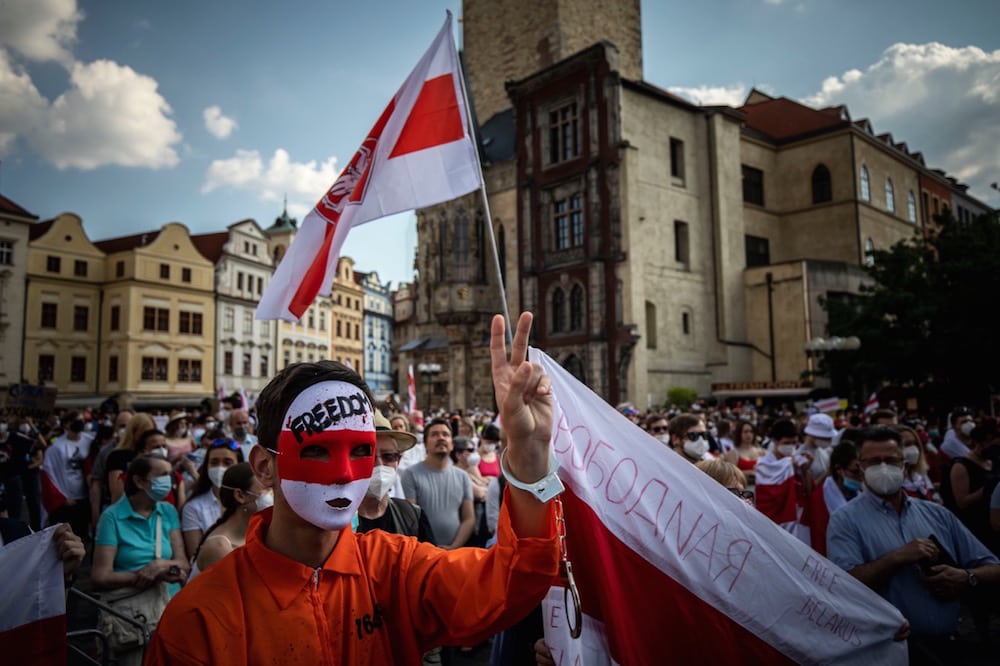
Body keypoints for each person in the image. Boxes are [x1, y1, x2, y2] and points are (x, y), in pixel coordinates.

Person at [146, 311, 559, 665]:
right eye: (318, 452)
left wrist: (528, 454)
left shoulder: (395, 570)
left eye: (362, 450)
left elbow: (514, 579)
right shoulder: (200, 619)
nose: (344, 473)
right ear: (264, 467)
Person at [827, 426, 1000, 662]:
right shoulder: (844, 521)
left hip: (948, 646)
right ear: (861, 466)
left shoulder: (937, 515)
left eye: (890, 460)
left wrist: (966, 577)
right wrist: (896, 558)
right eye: (874, 462)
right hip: (889, 651)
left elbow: (993, 567)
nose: (884, 467)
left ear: (904, 464)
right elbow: (843, 585)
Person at [92, 454, 190, 665]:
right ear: (139, 481)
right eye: (163, 475)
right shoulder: (112, 517)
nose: (169, 482)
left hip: (169, 607)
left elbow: (183, 562)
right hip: (131, 618)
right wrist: (140, 576)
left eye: (170, 475)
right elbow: (100, 576)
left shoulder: (167, 511)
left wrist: (160, 566)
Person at [356, 411, 434, 542]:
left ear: (398, 460)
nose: (380, 465)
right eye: (369, 457)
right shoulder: (335, 524)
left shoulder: (412, 516)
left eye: (389, 456)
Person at [401, 419, 476, 549]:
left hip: (455, 554)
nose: (441, 438)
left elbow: (469, 518)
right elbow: (411, 520)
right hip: (423, 553)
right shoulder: (411, 474)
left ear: (452, 444)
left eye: (445, 434)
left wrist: (454, 546)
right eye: (435, 434)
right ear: (425, 444)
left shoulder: (463, 477)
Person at [189, 463, 270, 579]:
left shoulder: (261, 534)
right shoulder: (219, 547)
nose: (272, 495)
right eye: (266, 489)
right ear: (240, 496)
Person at [180, 436, 243, 559]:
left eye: (227, 462)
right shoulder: (193, 508)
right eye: (214, 462)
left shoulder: (252, 502)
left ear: (239, 466)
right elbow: (196, 557)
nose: (220, 467)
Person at [754, 418, 812, 545]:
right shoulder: (764, 465)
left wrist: (805, 470)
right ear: (775, 441)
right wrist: (789, 466)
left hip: (799, 522)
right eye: (787, 443)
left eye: (794, 443)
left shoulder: (798, 460)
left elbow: (808, 492)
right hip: (777, 524)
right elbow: (767, 499)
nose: (791, 447)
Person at [40, 411, 94, 540]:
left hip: (86, 496)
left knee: (83, 535)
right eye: (76, 420)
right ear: (66, 424)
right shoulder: (57, 447)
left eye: (81, 420)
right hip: (68, 499)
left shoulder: (90, 441)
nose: (79, 423)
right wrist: (62, 497)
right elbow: (48, 473)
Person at [106, 413, 156, 504]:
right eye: (144, 433)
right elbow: (115, 489)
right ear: (134, 432)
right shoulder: (118, 456)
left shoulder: (151, 454)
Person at [898, 424, 939, 503]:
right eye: (907, 444)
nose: (914, 449)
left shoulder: (919, 475)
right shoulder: (895, 484)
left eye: (915, 444)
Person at [724, 420, 765, 486]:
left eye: (751, 432)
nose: (748, 434)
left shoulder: (762, 452)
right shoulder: (732, 454)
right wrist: (748, 473)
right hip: (743, 490)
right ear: (739, 434)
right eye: (745, 432)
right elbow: (731, 475)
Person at [799, 413, 836, 483]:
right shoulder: (801, 456)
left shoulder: (827, 450)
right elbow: (806, 489)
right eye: (825, 438)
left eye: (829, 438)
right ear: (812, 435)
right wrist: (826, 474)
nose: (829, 441)